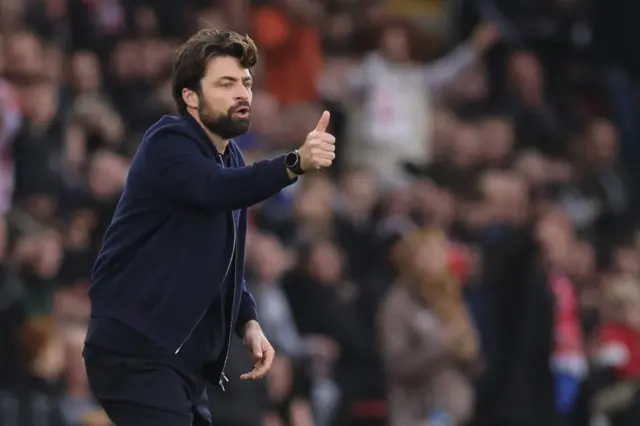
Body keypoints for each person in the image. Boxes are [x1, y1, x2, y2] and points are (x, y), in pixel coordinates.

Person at [82, 28, 337, 426]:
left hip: (182, 362)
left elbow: (226, 257)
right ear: (191, 97)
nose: (243, 94)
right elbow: (214, 189)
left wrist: (247, 321)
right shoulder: (169, 141)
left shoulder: (230, 157)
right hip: (136, 351)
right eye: (226, 83)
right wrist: (294, 164)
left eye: (247, 83)